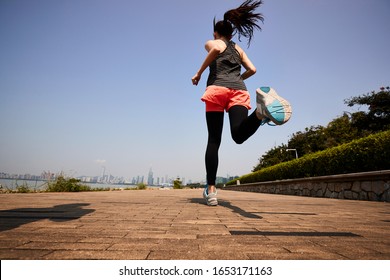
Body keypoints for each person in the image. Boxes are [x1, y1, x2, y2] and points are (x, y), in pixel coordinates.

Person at [191, 0, 267, 206]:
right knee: (239, 135)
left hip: (217, 90)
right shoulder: (238, 49)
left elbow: (215, 49)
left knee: (214, 140)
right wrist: (238, 78)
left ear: (215, 32)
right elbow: (253, 69)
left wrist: (198, 73)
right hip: (239, 91)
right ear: (232, 35)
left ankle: (212, 190)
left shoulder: (213, 42)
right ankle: (260, 114)